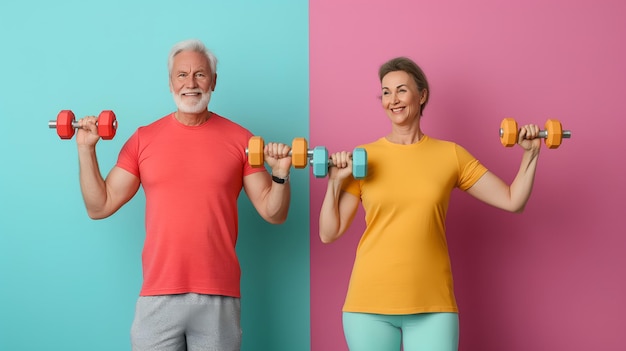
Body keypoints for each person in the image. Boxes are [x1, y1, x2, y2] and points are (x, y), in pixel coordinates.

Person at [75, 39, 293, 351]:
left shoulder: (242, 140)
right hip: (158, 295)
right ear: (170, 82)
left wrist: (281, 173)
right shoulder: (143, 140)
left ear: (214, 81)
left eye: (200, 74)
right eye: (182, 75)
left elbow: (275, 213)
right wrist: (86, 149)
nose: (190, 83)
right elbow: (100, 205)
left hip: (218, 295)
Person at [318, 57, 541, 351]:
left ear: (421, 95)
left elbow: (513, 201)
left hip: (433, 306)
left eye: (401, 90)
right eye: (385, 92)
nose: (393, 100)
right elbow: (328, 233)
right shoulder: (364, 157)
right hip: (368, 305)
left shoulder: (451, 156)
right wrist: (335, 182)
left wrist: (532, 153)